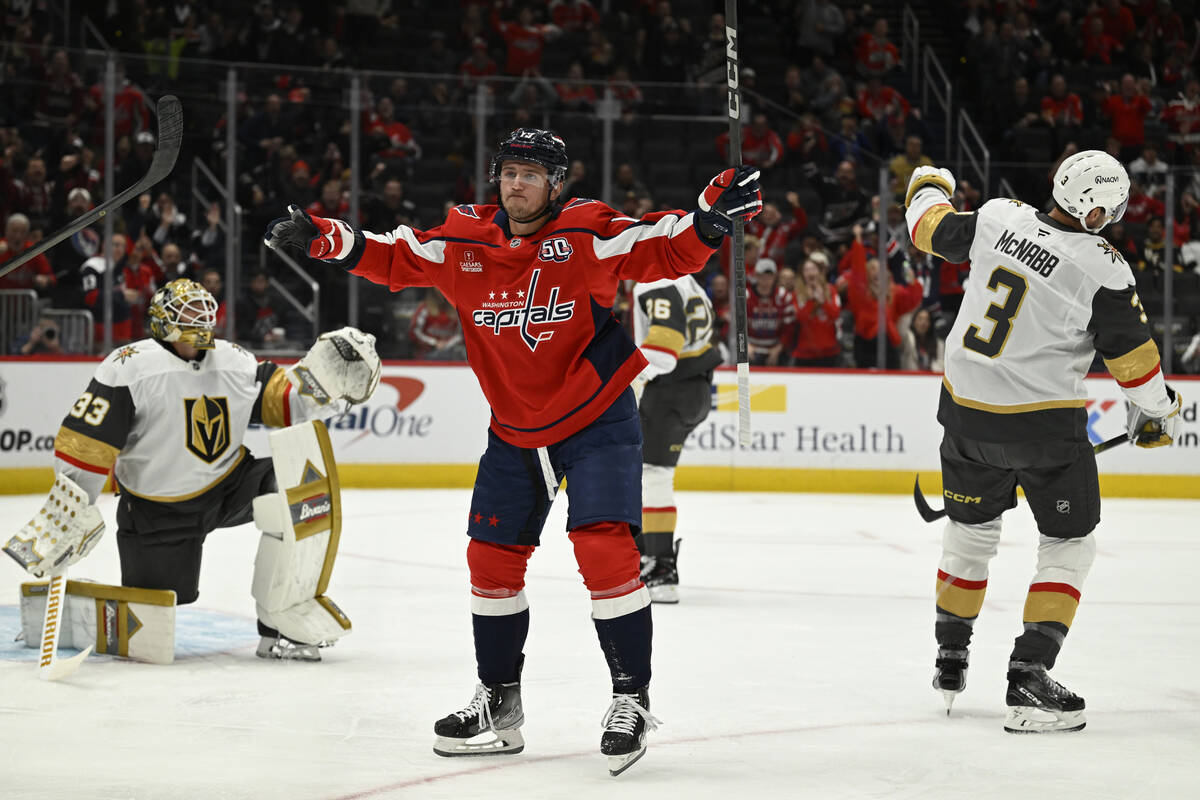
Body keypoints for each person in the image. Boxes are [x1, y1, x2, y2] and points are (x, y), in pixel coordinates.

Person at [265, 127, 762, 774]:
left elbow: (661, 249)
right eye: (508, 172)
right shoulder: (466, 240)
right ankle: (499, 701)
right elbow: (396, 255)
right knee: (489, 560)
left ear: (557, 185)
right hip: (515, 431)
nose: (516, 183)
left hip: (597, 417)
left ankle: (630, 699)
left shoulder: (586, 233)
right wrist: (326, 238)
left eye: (531, 174)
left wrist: (708, 220)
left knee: (603, 546)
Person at [904, 151, 1181, 732]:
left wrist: (929, 181)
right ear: (1098, 209)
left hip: (965, 419)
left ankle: (950, 658)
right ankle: (1028, 674)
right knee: (1068, 544)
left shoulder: (1000, 216)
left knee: (969, 535)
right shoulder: (1105, 268)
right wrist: (1160, 410)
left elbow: (927, 226)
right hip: (1043, 431)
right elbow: (1136, 369)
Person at [3, 278, 382, 662]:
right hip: (157, 510)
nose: (199, 319)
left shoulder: (234, 360)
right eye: (187, 311)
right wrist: (70, 508)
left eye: (203, 310)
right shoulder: (129, 367)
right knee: (151, 629)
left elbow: (284, 405)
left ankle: (280, 626)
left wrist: (328, 387)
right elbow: (86, 443)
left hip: (230, 486)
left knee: (297, 487)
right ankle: (76, 611)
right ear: (161, 320)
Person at [630, 274, 722, 604]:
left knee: (653, 474)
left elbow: (664, 343)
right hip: (697, 387)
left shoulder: (654, 277)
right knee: (649, 473)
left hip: (669, 389)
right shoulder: (690, 281)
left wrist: (633, 376)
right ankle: (648, 557)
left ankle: (660, 568)